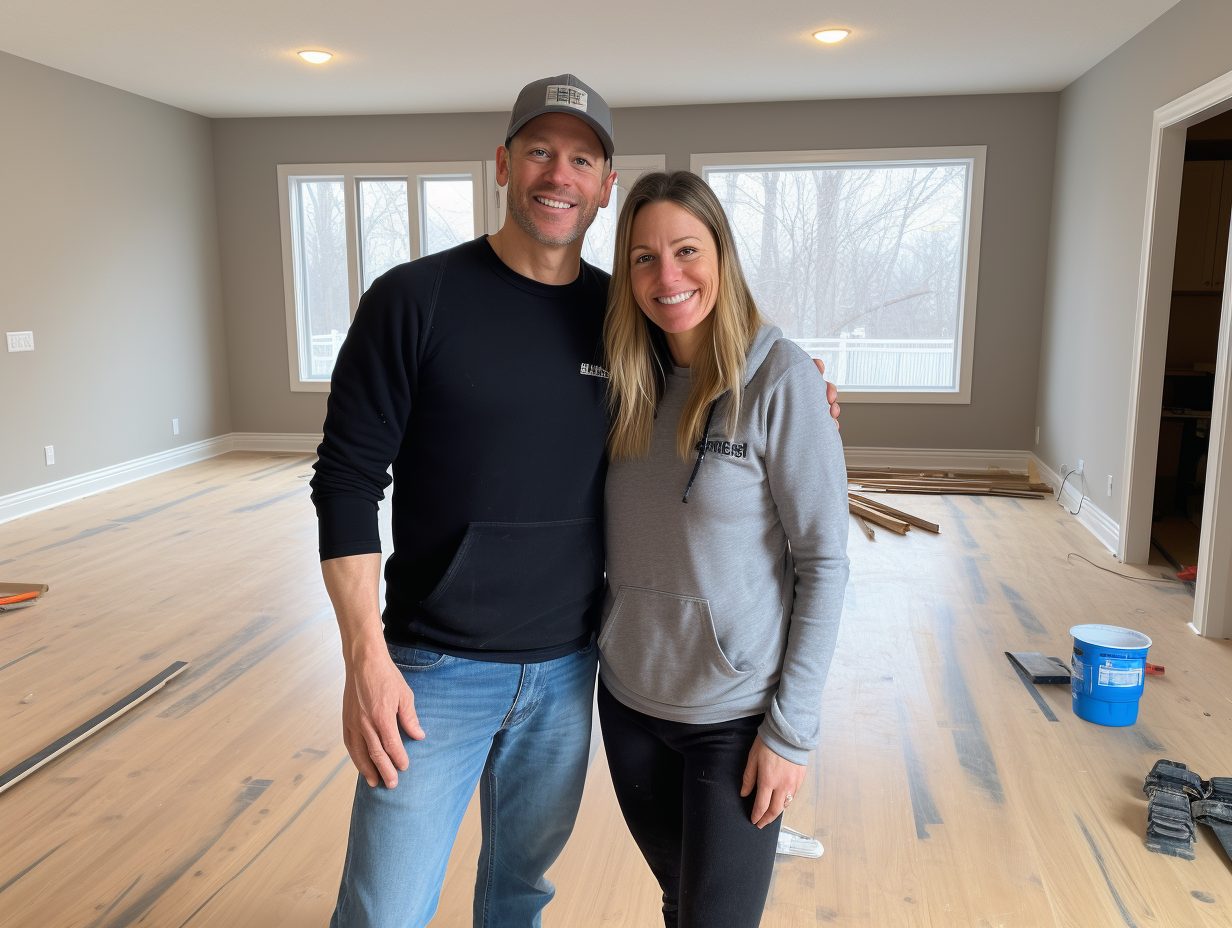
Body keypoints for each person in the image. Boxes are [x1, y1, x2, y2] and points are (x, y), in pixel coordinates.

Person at [310, 75, 839, 927]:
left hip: (569, 669)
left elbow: (721, 372)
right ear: (503, 164)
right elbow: (343, 481)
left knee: (517, 895)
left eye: (581, 158)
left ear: (605, 186)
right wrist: (364, 659)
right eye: (540, 151)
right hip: (431, 672)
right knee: (383, 912)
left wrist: (803, 388)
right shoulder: (413, 300)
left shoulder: (622, 316)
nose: (559, 173)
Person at [597, 170, 850, 927]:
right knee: (682, 900)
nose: (666, 276)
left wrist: (791, 733)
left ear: (722, 255)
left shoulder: (781, 379)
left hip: (735, 717)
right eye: (643, 257)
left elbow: (824, 563)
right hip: (630, 702)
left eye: (686, 250)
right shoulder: (621, 376)